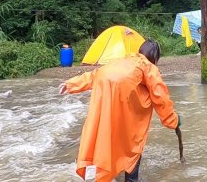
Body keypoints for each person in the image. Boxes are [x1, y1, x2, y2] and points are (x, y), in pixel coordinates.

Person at [59, 39, 183, 182]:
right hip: (126, 117)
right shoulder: (148, 67)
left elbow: (94, 75)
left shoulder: (119, 61)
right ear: (155, 57)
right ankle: (131, 179)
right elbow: (160, 97)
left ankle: (105, 173)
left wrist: (70, 84)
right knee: (133, 146)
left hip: (107, 114)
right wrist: (172, 120)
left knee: (107, 142)